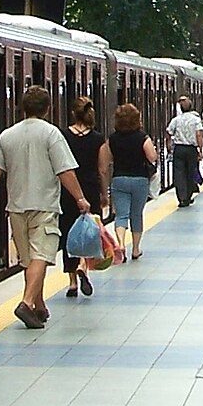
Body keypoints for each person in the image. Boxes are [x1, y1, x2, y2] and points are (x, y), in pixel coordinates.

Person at [0, 85, 94, 329]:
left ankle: (39, 306)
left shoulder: (7, 136)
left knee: (28, 260)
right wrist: (80, 198)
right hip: (44, 206)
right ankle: (26, 303)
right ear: (48, 109)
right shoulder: (51, 134)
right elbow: (65, 171)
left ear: (22, 108)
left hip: (16, 207)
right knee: (41, 256)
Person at [59, 97, 111, 300]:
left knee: (68, 233)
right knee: (89, 232)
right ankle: (83, 265)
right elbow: (102, 169)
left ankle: (72, 282)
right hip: (90, 189)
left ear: (73, 113)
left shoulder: (63, 136)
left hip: (68, 190)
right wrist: (104, 194)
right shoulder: (98, 139)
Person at [107, 103, 159, 260]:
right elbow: (152, 157)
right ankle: (135, 249)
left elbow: (107, 159)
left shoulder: (112, 138)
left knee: (121, 215)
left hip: (119, 179)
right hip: (139, 180)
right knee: (136, 214)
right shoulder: (142, 137)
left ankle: (121, 244)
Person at [166, 95, 203, 208]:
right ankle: (188, 196)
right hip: (191, 149)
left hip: (179, 149)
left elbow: (168, 132)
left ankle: (182, 198)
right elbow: (199, 135)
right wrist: (200, 150)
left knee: (179, 174)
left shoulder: (176, 120)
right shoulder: (196, 119)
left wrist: (169, 145)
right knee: (190, 172)